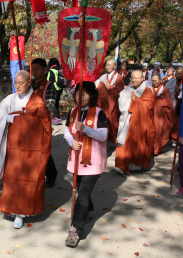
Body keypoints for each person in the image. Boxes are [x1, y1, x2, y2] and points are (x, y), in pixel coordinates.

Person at [0, 71, 52, 229]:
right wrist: (9, 118)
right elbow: (1, 112)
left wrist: (17, 119)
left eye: (21, 83)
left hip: (30, 149)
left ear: (29, 83)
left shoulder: (37, 101)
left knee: (27, 180)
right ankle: (12, 208)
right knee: (12, 178)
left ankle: (22, 213)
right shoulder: (11, 99)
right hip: (14, 146)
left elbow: (44, 124)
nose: (18, 86)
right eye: (16, 83)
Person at [64, 82, 108, 247]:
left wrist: (85, 129)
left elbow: (103, 136)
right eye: (77, 94)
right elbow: (67, 132)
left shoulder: (99, 113)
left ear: (92, 96)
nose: (79, 97)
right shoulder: (73, 111)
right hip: (76, 159)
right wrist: (72, 142)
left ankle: (76, 229)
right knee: (82, 188)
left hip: (92, 160)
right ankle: (89, 209)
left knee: (82, 194)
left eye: (83, 94)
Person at [112, 70, 156, 175]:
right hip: (127, 119)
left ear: (142, 78)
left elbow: (149, 107)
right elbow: (121, 104)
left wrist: (136, 101)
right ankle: (122, 165)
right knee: (124, 143)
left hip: (140, 122)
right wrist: (132, 102)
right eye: (132, 78)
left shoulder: (147, 91)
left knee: (136, 143)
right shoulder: (126, 91)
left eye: (136, 78)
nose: (134, 80)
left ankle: (136, 166)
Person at [31, 58, 59, 187]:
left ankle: (51, 175)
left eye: (37, 68)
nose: (34, 71)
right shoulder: (28, 84)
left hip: (42, 123)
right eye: (33, 68)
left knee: (43, 150)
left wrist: (34, 111)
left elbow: (50, 105)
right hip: (28, 124)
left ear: (44, 70)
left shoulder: (49, 86)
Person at [96, 59, 125, 147]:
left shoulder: (118, 77)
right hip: (104, 103)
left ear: (114, 66)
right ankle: (105, 139)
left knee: (113, 121)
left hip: (113, 104)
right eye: (106, 65)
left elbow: (120, 92)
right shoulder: (103, 76)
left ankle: (112, 140)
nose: (108, 67)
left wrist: (111, 88)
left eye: (110, 65)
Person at [150, 73, 173, 155]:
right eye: (152, 81)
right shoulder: (148, 89)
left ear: (160, 80)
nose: (154, 82)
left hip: (160, 115)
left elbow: (169, 103)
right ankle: (150, 149)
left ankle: (156, 149)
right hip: (150, 114)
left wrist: (158, 102)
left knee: (159, 132)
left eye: (156, 80)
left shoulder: (165, 90)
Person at [47, 58, 69, 124]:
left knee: (51, 103)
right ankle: (58, 117)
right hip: (60, 88)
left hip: (54, 88)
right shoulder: (60, 69)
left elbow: (50, 80)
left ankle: (57, 118)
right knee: (56, 103)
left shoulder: (51, 70)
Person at [166, 65, 183, 146]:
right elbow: (167, 92)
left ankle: (179, 138)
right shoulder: (171, 82)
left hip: (181, 104)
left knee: (180, 122)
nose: (179, 75)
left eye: (181, 73)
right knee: (173, 121)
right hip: (173, 102)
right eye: (178, 73)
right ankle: (173, 139)